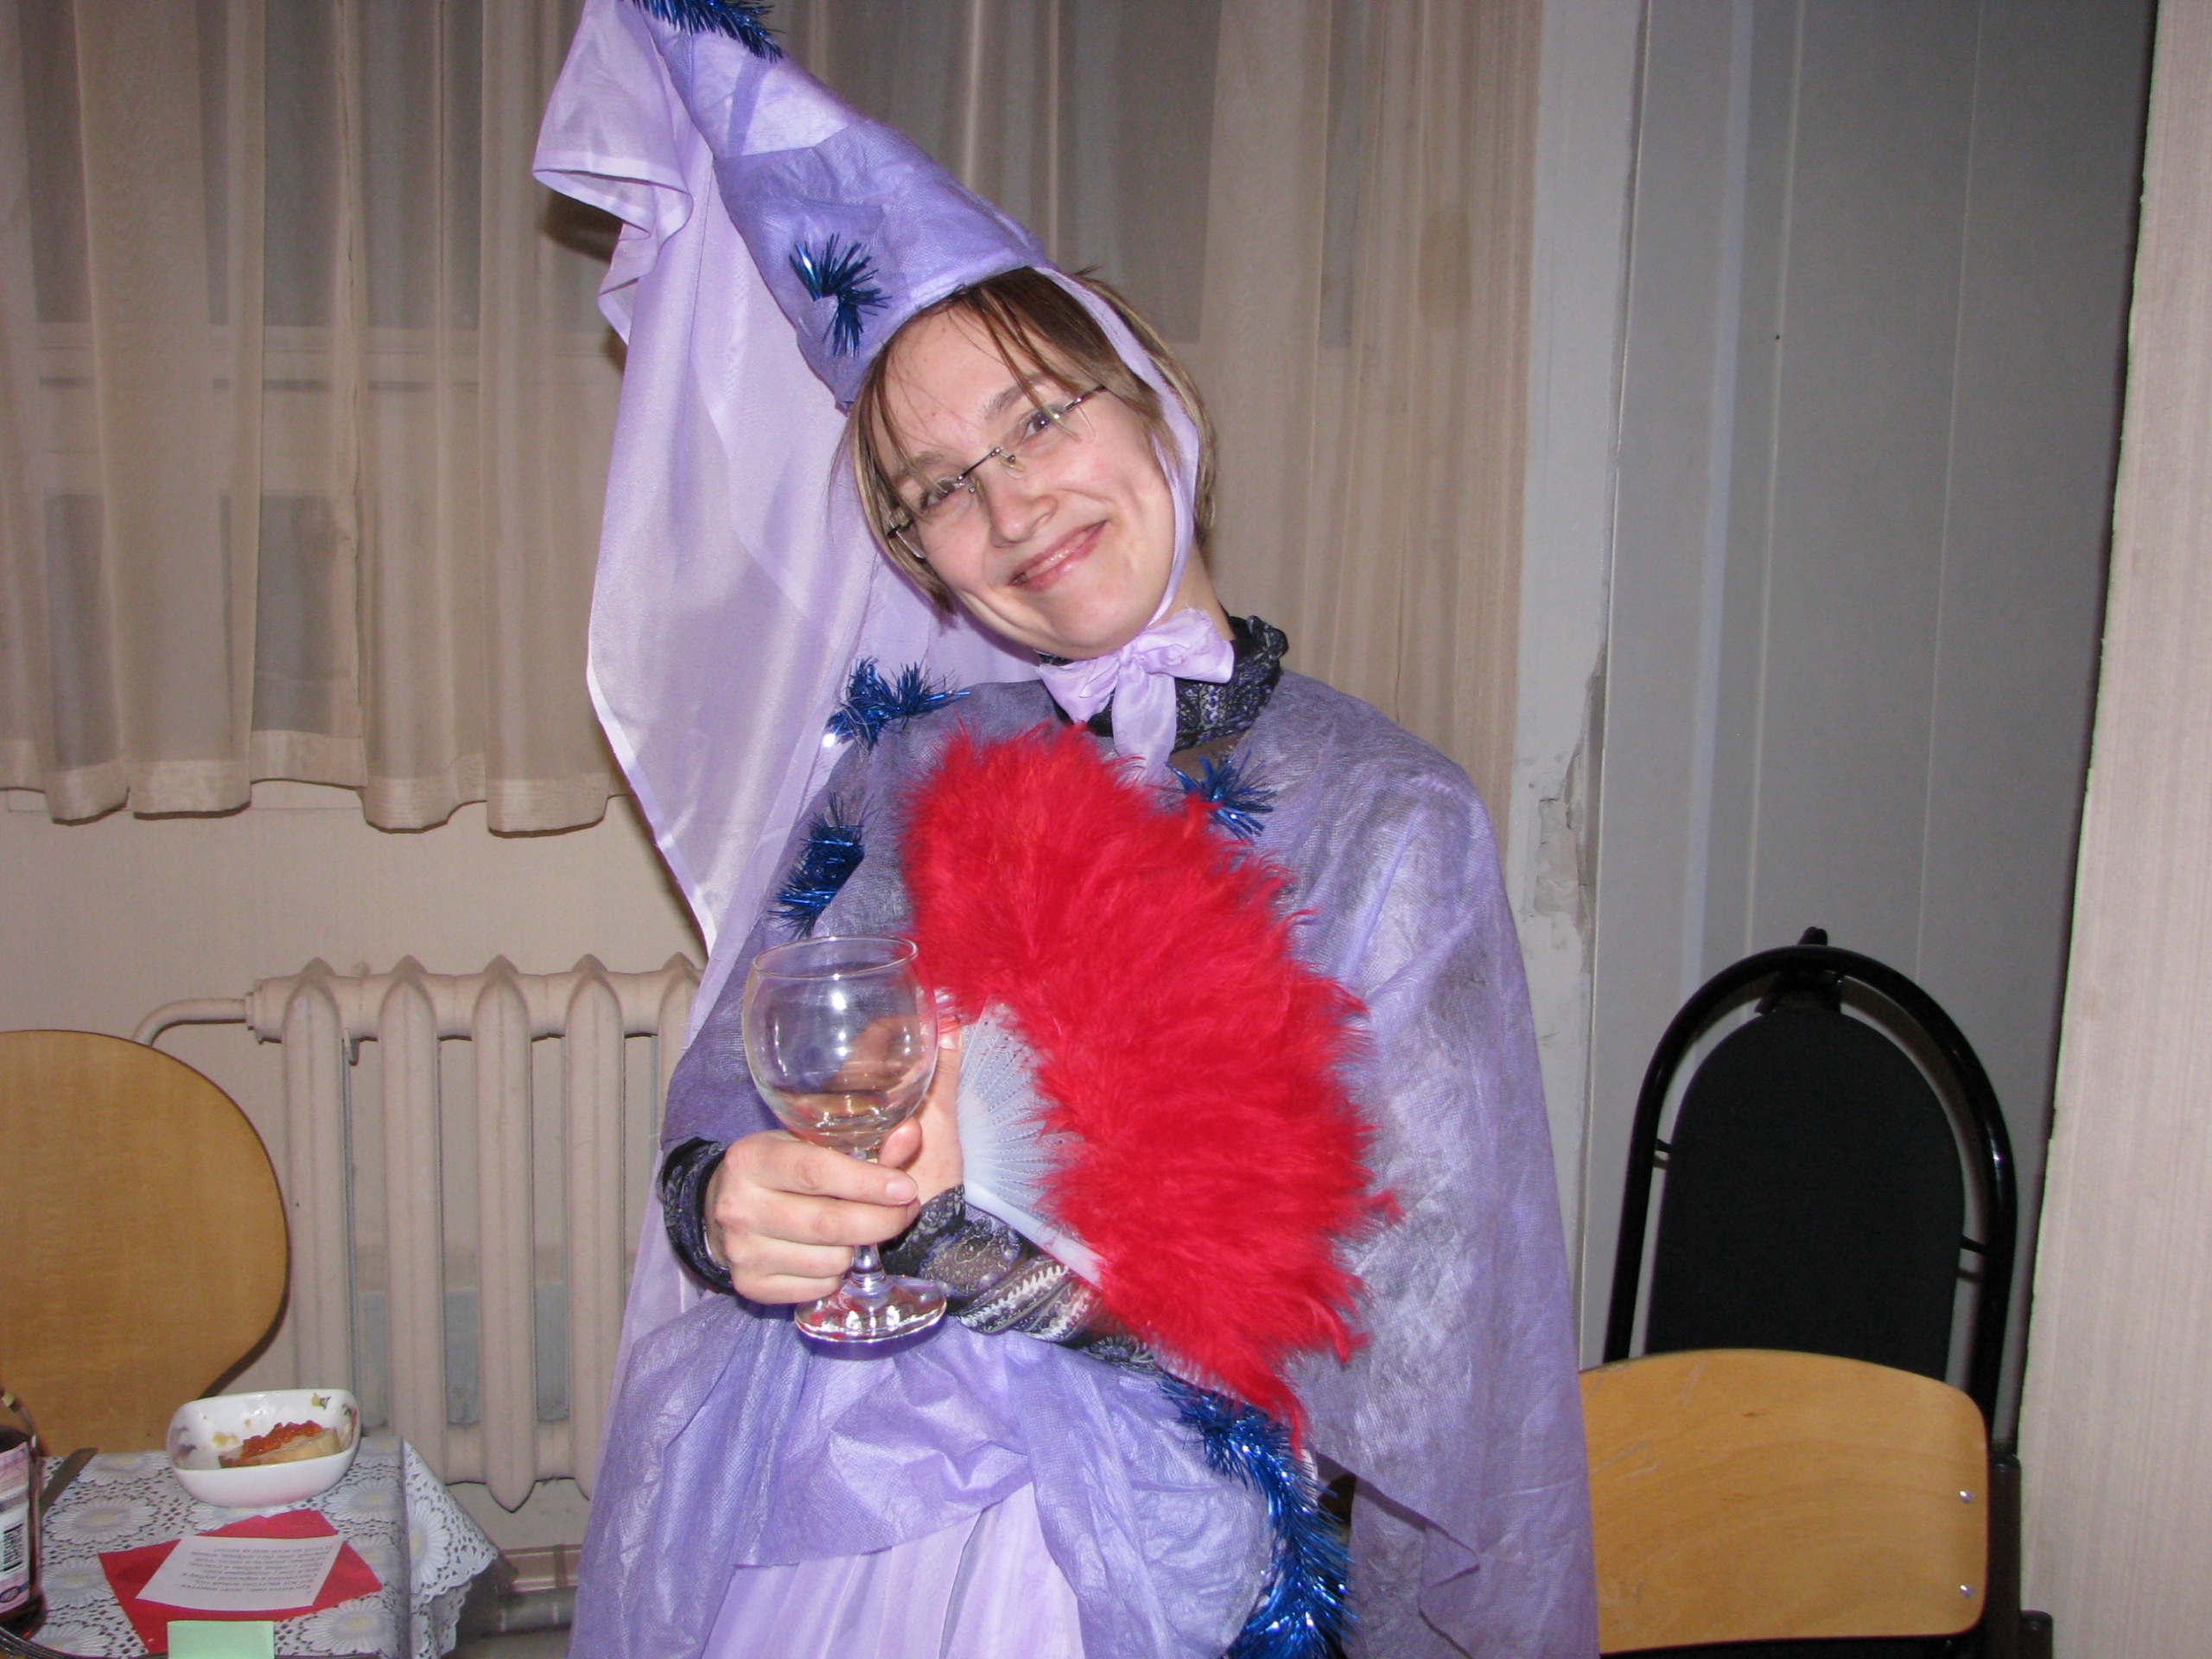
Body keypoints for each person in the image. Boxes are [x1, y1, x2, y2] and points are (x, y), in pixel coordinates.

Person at [538, 5, 1595, 1656]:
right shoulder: (900, 773)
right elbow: (742, 1067)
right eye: (940, 488)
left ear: (1151, 393)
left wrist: (1019, 1263)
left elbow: (1443, 1370)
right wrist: (717, 1197)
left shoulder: (1390, 822)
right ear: (921, 564)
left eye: (1038, 418)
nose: (1014, 504)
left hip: (1178, 1557)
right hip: (825, 1508)